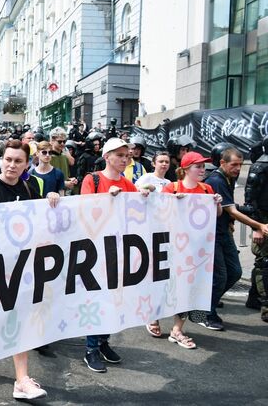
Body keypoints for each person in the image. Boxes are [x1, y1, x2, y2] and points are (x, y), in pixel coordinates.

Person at [0, 140, 58, 399]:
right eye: (8, 159)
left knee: (20, 317)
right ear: (1, 160)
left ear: (27, 164)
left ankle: (22, 379)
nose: (11, 165)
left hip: (19, 265)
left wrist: (51, 200)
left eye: (18, 161)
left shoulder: (30, 188)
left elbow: (41, 219)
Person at [80, 137, 151, 373]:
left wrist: (149, 195)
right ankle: (91, 348)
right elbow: (84, 210)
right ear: (107, 157)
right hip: (96, 250)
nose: (124, 159)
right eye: (120, 155)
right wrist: (105, 199)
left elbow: (139, 210)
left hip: (119, 249)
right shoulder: (93, 179)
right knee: (96, 298)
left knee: (114, 299)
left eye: (126, 155)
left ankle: (103, 342)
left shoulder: (127, 184)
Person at [145, 152, 222, 348]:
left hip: (196, 249)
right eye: (198, 166)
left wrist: (217, 203)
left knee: (188, 288)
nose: (203, 170)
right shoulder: (172, 187)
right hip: (171, 247)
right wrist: (172, 202)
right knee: (164, 284)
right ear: (186, 169)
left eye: (203, 167)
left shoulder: (207, 189)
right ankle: (153, 315)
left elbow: (217, 215)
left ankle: (177, 330)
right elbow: (158, 213)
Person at [203, 147, 268, 330]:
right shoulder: (216, 180)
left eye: (240, 164)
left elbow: (228, 210)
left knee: (235, 272)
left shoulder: (228, 178)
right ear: (222, 163)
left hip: (224, 232)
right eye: (234, 164)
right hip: (213, 235)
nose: (238, 168)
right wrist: (258, 226)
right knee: (221, 276)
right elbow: (232, 210)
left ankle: (206, 304)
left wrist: (230, 222)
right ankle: (206, 312)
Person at [244, 138, 268, 320]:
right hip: (263, 219)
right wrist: (256, 227)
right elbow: (250, 201)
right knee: (264, 262)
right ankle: (266, 306)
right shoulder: (260, 167)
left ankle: (254, 297)